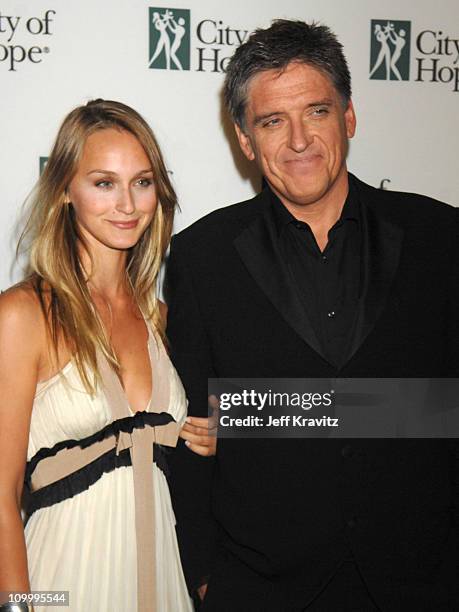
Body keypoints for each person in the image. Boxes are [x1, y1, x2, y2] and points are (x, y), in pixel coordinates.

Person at [166, 20, 459, 612]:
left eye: (317, 111)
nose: (298, 140)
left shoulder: (440, 237)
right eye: (272, 121)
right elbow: (191, 433)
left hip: (420, 579)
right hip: (260, 587)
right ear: (245, 140)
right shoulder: (203, 256)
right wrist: (201, 574)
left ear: (349, 117)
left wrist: (257, 410)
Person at [0, 99, 215, 612]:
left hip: (164, 587)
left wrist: (212, 434)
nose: (127, 204)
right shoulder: (23, 315)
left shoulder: (163, 320)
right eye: (103, 183)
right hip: (63, 588)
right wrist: (18, 606)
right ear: (65, 192)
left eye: (142, 182)